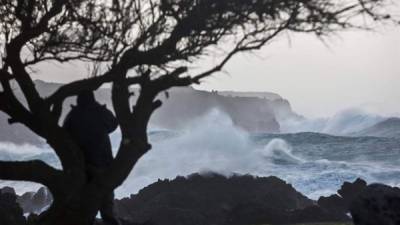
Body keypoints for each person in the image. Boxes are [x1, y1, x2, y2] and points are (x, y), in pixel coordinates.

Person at [63, 90, 119, 225]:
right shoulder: (100, 112)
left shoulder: (73, 115)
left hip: (82, 168)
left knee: (86, 209)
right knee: (107, 209)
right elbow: (113, 124)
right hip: (103, 165)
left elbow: (64, 135)